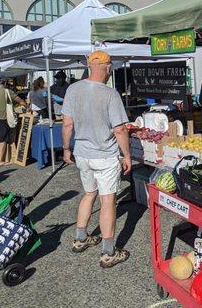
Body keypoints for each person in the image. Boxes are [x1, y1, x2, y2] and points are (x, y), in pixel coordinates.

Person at [61, 50, 131, 269]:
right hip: (105, 156)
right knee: (107, 200)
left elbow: (67, 124)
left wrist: (65, 149)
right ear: (108, 68)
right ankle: (109, 252)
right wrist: (127, 155)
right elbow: (119, 130)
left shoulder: (73, 89)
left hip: (82, 153)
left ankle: (81, 238)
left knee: (89, 194)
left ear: (89, 66)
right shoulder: (110, 94)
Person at [0, 77, 26, 166]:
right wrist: (26, 106)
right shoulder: (7, 91)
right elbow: (20, 101)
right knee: (2, 140)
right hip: (1, 118)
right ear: (4, 84)